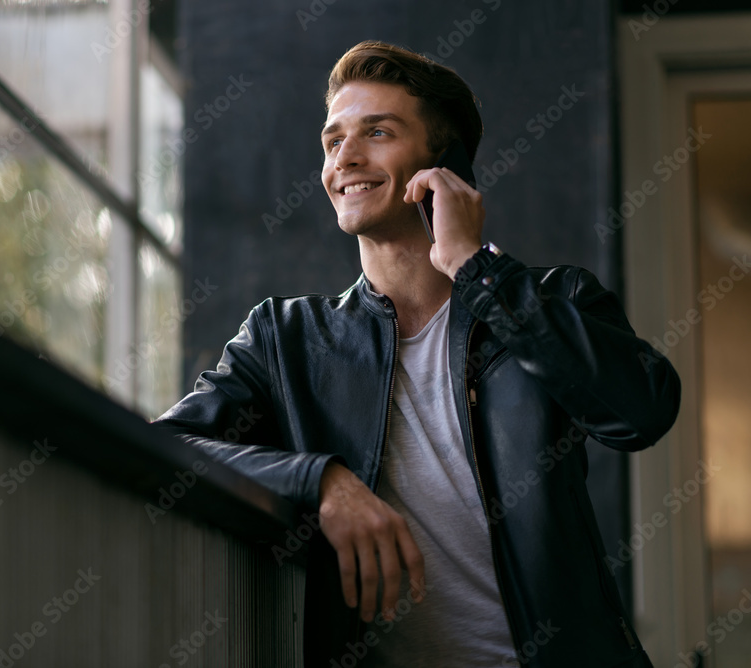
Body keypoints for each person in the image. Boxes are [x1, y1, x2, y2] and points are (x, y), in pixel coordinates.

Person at [153, 40, 680, 667]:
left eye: (378, 132)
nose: (345, 157)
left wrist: (474, 269)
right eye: (332, 140)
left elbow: (642, 409)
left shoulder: (549, 300)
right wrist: (320, 480)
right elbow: (170, 445)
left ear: (445, 163)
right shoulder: (284, 338)